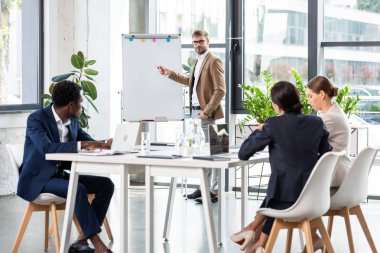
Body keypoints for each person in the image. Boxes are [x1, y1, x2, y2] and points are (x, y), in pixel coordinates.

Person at [231, 81, 331, 253]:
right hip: (315, 197)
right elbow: (326, 155)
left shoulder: (273, 125)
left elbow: (243, 153)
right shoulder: (317, 123)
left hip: (284, 202)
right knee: (283, 184)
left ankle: (256, 239)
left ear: (276, 106)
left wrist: (260, 130)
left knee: (279, 189)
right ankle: (257, 241)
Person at [17, 80, 114, 253]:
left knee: (106, 185)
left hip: (59, 175)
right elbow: (46, 148)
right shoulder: (37, 119)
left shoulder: (73, 122)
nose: (82, 107)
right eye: (81, 102)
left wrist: (105, 143)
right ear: (71, 105)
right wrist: (83, 145)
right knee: (77, 188)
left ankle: (81, 240)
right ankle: (98, 245)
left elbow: (88, 141)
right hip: (38, 180)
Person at [158, 29, 226, 203]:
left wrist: (207, 111)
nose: (197, 45)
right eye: (195, 42)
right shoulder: (198, 60)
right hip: (196, 112)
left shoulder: (214, 60)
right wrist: (170, 73)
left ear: (207, 41)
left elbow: (220, 90)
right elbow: (191, 81)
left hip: (205, 114)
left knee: (213, 154)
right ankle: (205, 188)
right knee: (202, 153)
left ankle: (214, 191)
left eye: (200, 41)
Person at [305, 75, 351, 252]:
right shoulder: (332, 112)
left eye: (310, 96)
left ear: (322, 94)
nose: (308, 100)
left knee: (295, 189)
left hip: (335, 174)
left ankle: (314, 238)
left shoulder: (328, 118)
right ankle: (314, 238)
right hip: (338, 171)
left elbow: (308, 144)